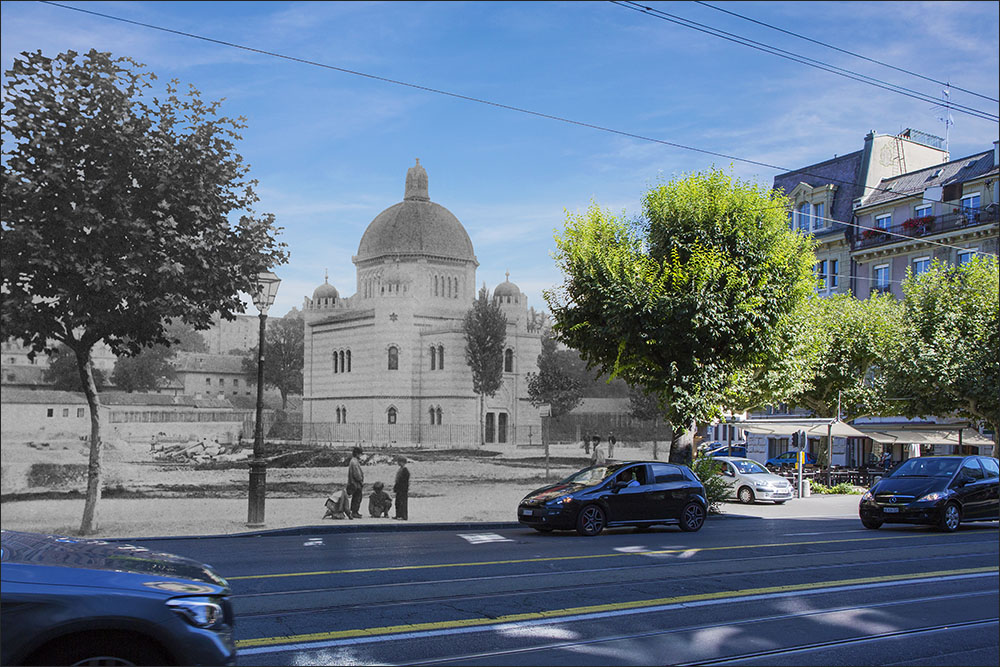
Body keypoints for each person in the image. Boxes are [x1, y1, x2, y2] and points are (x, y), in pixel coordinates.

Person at [347, 445, 364, 519]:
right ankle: (355, 512)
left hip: (353, 483)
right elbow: (357, 474)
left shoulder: (353, 461)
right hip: (356, 483)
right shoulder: (354, 462)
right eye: (360, 454)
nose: (360, 455)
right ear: (357, 454)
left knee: (355, 497)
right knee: (357, 497)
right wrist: (361, 481)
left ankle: (354, 511)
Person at [393, 456, 410, 520]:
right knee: (398, 502)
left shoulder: (405, 470)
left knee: (403, 502)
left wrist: (401, 488)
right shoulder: (401, 469)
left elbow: (404, 481)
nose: (398, 463)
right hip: (400, 489)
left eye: (399, 461)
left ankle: (404, 515)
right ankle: (398, 515)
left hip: (402, 489)